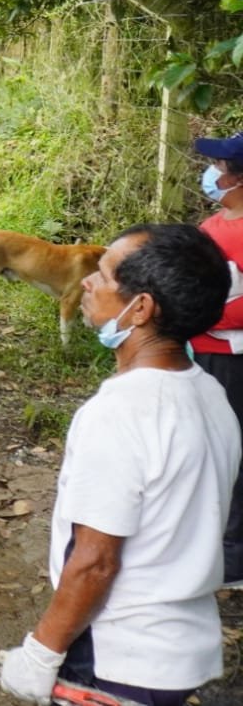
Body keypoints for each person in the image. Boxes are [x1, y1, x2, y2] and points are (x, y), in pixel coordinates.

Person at [0, 223, 241, 705]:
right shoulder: (211, 393)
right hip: (181, 649)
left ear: (142, 308)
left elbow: (95, 561)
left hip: (118, 655)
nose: (88, 280)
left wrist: (43, 651)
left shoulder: (120, 412)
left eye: (104, 274)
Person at [190, 130, 243, 585]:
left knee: (232, 453)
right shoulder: (211, 229)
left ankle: (232, 557)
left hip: (231, 355)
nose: (214, 175)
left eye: (223, 169)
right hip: (203, 350)